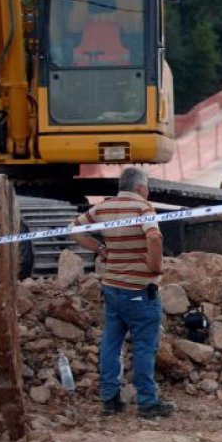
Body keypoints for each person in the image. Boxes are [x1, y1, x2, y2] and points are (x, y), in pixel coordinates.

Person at [70, 167, 174, 419]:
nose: (147, 191)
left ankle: (109, 399)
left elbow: (74, 229)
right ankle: (147, 402)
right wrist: (156, 266)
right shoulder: (143, 208)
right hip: (139, 290)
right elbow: (154, 238)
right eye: (146, 187)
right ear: (140, 188)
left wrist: (99, 249)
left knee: (111, 343)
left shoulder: (103, 208)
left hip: (112, 287)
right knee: (144, 346)